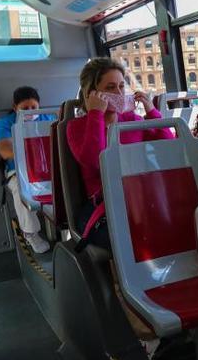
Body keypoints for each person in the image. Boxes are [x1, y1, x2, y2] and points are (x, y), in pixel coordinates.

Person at [67, 58, 173, 250]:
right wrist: (96, 115)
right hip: (104, 206)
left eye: (122, 86)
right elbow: (95, 161)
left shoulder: (131, 120)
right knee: (135, 240)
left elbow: (170, 148)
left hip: (139, 199)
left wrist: (152, 112)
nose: (119, 93)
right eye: (110, 87)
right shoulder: (76, 127)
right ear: (92, 93)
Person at [0, 86, 56, 254]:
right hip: (19, 170)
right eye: (25, 108)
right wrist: (32, 149)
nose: (30, 112)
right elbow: (5, 150)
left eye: (33, 108)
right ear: (15, 108)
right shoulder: (6, 123)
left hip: (47, 168)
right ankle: (31, 233)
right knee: (21, 191)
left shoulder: (48, 118)